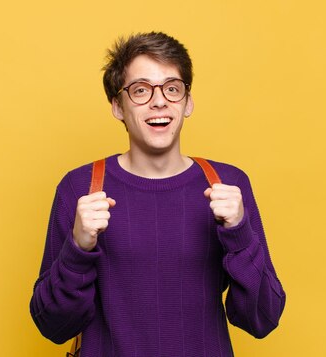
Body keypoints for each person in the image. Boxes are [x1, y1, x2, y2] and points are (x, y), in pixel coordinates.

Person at [30, 32, 286, 356]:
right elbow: (52, 325)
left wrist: (239, 233)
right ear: (117, 107)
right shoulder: (79, 188)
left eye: (172, 88)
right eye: (140, 90)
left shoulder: (228, 184)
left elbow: (262, 318)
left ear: (188, 102)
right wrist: (78, 248)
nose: (159, 100)